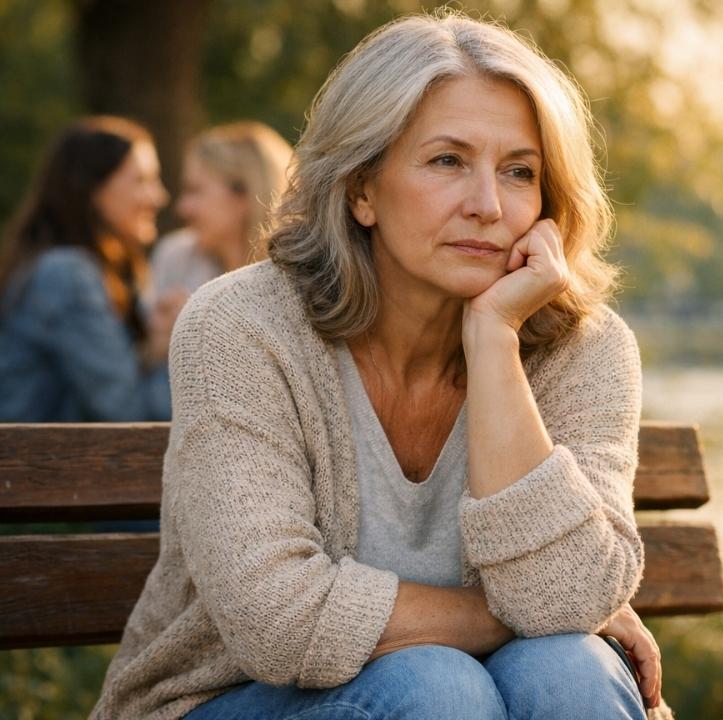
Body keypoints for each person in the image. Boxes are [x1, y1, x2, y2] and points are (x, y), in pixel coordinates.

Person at [92, 13, 666, 720]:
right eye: (447, 161)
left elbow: (571, 601)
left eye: (519, 172)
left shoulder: (584, 347)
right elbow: (275, 621)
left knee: (568, 672)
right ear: (362, 189)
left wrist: (493, 340)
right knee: (439, 688)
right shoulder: (241, 326)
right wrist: (515, 612)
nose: (488, 205)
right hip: (226, 700)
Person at [0, 116, 173, 422]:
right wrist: (180, 346)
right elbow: (128, 411)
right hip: (33, 467)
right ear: (92, 188)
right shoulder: (66, 274)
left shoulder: (80, 268)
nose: (159, 196)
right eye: (141, 180)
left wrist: (155, 348)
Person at [146, 120, 293, 314]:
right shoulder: (175, 257)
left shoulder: (298, 278)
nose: (182, 208)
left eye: (195, 190)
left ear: (245, 195)